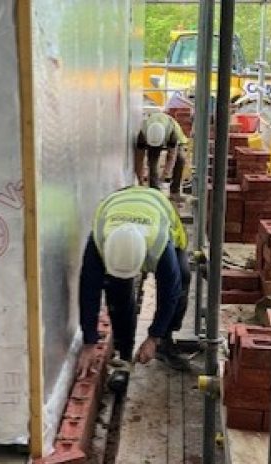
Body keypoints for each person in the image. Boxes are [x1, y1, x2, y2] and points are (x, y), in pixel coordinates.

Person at [77, 186, 191, 378]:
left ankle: (165, 341)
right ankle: (124, 353)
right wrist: (89, 342)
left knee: (182, 279)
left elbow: (169, 292)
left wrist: (154, 337)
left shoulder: (159, 245)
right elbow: (89, 292)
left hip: (157, 205)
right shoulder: (99, 242)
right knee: (117, 292)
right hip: (119, 201)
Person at [134, 112, 187, 200]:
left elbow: (171, 157)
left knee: (180, 159)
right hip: (154, 132)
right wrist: (140, 181)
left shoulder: (172, 133)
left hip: (172, 131)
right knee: (152, 162)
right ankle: (154, 191)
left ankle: (174, 191)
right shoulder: (143, 134)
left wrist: (164, 176)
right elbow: (139, 159)